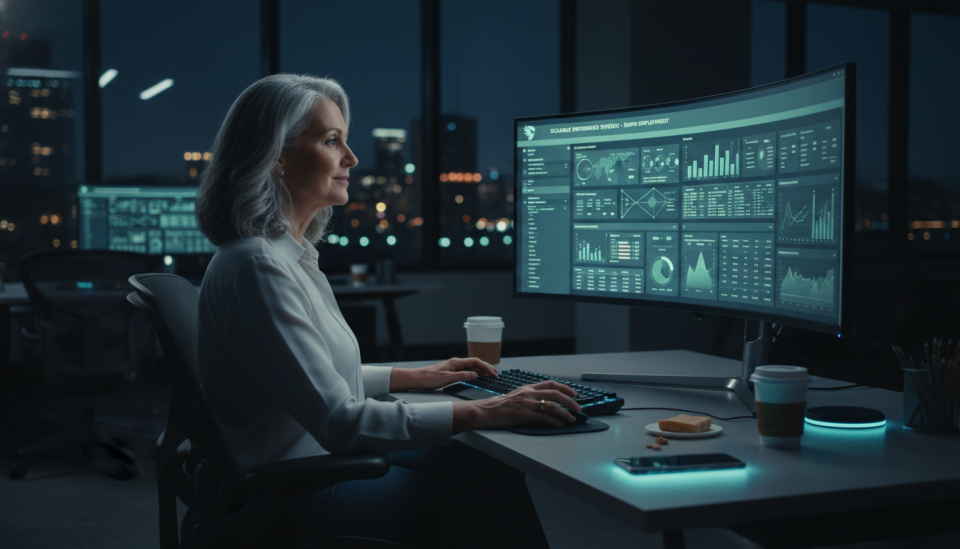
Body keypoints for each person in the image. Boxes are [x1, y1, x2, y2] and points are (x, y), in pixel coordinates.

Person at [194, 73, 581, 547]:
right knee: (481, 484)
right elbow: (340, 422)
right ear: (276, 156)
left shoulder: (282, 257)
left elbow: (307, 377)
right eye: (331, 140)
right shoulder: (258, 266)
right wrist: (486, 409)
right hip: (292, 495)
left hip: (314, 468)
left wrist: (416, 377)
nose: (351, 158)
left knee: (481, 463)